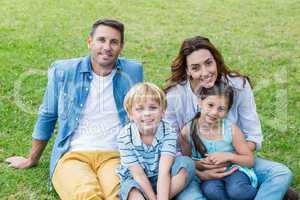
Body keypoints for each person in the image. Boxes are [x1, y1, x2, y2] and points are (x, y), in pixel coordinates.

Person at [6, 19, 143, 200]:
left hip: (115, 156)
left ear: (121, 47)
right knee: (85, 194)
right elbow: (48, 115)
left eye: (114, 42)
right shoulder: (63, 71)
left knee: (118, 194)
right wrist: (32, 158)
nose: (107, 47)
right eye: (101, 40)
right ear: (90, 42)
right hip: (73, 156)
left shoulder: (133, 71)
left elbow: (142, 115)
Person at [164, 36, 294, 200]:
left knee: (281, 173)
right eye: (196, 68)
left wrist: (229, 158)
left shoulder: (238, 86)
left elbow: (253, 135)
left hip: (237, 164)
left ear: (216, 61)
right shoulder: (174, 96)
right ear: (187, 70)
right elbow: (169, 146)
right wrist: (197, 169)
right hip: (194, 169)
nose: (205, 72)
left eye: (208, 63)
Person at [117, 82, 195, 200]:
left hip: (164, 176)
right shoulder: (125, 137)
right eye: (140, 109)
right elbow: (138, 175)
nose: (147, 113)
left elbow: (164, 171)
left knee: (187, 164)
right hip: (137, 179)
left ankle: (164, 197)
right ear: (130, 114)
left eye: (153, 108)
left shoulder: (168, 132)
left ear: (163, 111)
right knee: (131, 191)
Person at [181, 81, 257, 200]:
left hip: (234, 170)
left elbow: (249, 160)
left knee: (237, 191)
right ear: (200, 102)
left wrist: (229, 156)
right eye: (210, 105)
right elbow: (186, 159)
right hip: (209, 175)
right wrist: (198, 164)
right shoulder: (187, 131)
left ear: (227, 111)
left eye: (221, 109)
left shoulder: (231, 129)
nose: (214, 112)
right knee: (212, 192)